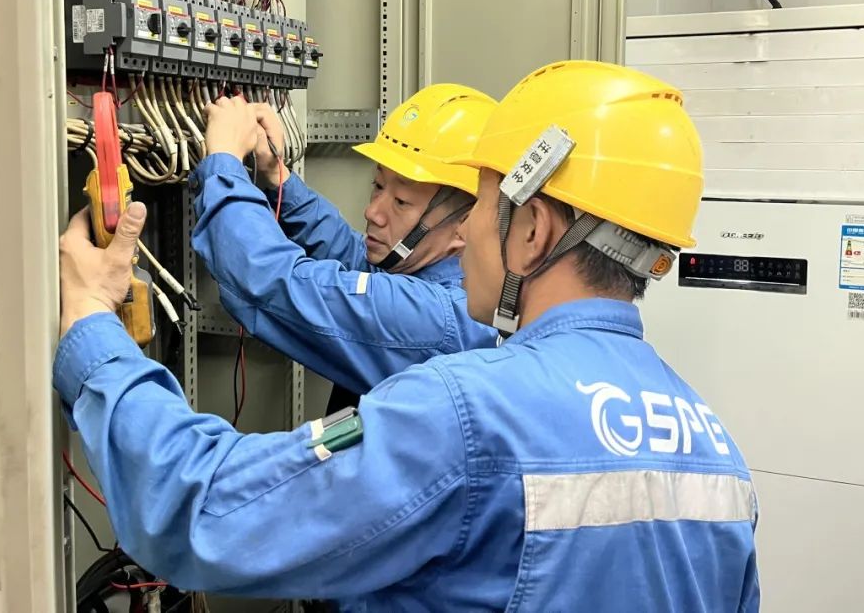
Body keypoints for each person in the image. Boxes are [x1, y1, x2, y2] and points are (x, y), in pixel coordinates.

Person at [54, 60, 759, 611]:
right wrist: (281, 185)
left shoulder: (463, 414)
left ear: (534, 230)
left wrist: (90, 323)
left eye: (482, 204)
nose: (469, 230)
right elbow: (359, 281)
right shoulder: (721, 460)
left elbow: (204, 509)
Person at [193, 84, 499, 406]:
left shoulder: (436, 317)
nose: (372, 212)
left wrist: (224, 162)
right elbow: (352, 256)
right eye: (378, 185)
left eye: (401, 201)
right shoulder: (443, 277)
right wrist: (276, 175)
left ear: (464, 227)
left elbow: (268, 278)